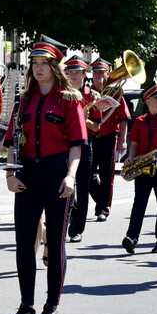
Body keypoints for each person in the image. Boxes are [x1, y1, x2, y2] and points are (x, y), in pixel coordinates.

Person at [3, 36, 87, 314]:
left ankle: (52, 306)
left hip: (56, 172)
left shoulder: (68, 99)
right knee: (24, 242)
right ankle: (26, 306)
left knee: (56, 242)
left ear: (54, 66)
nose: (38, 69)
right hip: (27, 172)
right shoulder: (24, 99)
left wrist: (71, 176)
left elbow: (77, 144)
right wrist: (10, 174)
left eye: (43, 64)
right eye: (34, 64)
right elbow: (12, 142)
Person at [121, 83, 157, 254]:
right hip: (143, 168)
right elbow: (134, 144)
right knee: (139, 204)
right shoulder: (140, 121)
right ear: (147, 101)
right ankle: (132, 238)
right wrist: (131, 157)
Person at [88, 58, 130, 222]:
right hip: (91, 138)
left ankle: (103, 209)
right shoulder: (87, 92)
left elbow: (124, 119)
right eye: (95, 72)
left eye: (101, 72)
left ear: (108, 74)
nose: (98, 75)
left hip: (109, 137)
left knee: (107, 175)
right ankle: (101, 201)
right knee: (88, 175)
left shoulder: (115, 93)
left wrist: (123, 141)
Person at [63, 55, 98, 243]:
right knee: (67, 186)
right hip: (64, 145)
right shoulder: (63, 93)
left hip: (85, 145)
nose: (73, 76)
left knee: (83, 189)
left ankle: (77, 229)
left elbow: (97, 127)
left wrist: (84, 120)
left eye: (77, 73)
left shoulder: (92, 96)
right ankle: (65, 221)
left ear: (85, 74)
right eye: (70, 73)